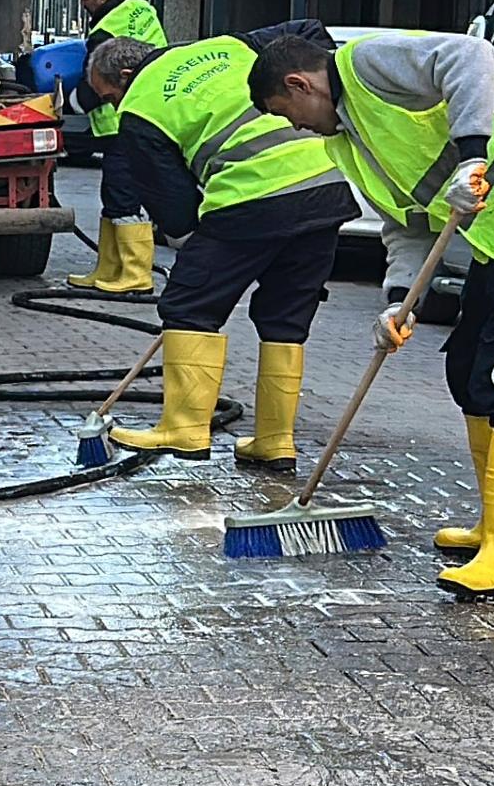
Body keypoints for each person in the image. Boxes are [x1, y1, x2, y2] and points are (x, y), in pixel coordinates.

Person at [250, 27, 494, 599]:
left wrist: (472, 156)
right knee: (465, 366)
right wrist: (398, 301)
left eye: (285, 112)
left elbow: (472, 55)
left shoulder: (366, 64)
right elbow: (405, 224)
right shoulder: (348, 142)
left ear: (299, 83)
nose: (294, 127)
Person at [82, 32, 353, 469]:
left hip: (252, 196)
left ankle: (185, 429)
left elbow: (173, 206)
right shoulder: (230, 44)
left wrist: (197, 256)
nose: (113, 107)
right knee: (284, 315)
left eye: (110, 96)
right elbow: (309, 29)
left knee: (189, 306)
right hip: (324, 187)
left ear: (128, 77)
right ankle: (275, 440)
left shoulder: (139, 109)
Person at [69, 0, 170, 294]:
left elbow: (97, 85)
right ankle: (109, 269)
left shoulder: (105, 30)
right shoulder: (141, 10)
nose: (82, 4)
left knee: (123, 194)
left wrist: (65, 105)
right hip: (147, 113)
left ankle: (136, 273)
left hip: (122, 122)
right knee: (114, 193)